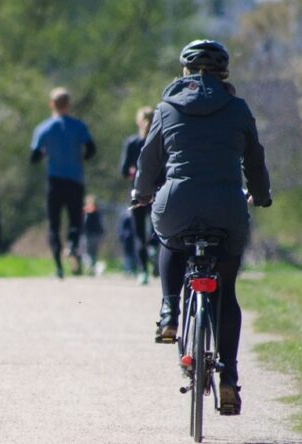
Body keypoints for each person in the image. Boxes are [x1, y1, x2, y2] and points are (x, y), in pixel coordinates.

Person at [132, 39, 272, 415]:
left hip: (177, 204)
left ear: (185, 71)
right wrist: (261, 195)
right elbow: (254, 161)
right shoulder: (238, 108)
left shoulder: (166, 108)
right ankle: (228, 377)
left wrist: (141, 194)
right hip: (227, 208)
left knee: (170, 239)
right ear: (224, 73)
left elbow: (148, 161)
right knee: (226, 292)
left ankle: (169, 312)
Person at [31, 87, 96, 278]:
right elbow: (91, 149)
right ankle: (73, 244)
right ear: (68, 104)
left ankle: (59, 268)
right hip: (75, 180)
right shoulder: (79, 126)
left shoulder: (43, 128)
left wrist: (45, 153)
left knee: (54, 224)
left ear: (52, 104)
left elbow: (34, 157)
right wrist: (79, 157)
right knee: (75, 220)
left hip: (54, 182)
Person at [120, 106, 161, 284]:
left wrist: (132, 172)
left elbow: (123, 170)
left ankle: (143, 271)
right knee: (158, 227)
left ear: (138, 121)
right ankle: (154, 249)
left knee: (138, 233)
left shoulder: (132, 143)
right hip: (158, 190)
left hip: (137, 191)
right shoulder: (161, 141)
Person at [81, 195, 104, 276]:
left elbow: (84, 223)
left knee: (87, 252)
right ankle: (92, 268)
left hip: (90, 235)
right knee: (92, 253)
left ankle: (91, 268)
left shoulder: (87, 212)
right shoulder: (97, 211)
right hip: (95, 234)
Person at [117, 208, 138, 275]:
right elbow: (120, 229)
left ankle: (133, 269)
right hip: (127, 241)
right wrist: (122, 237)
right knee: (127, 256)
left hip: (134, 240)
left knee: (134, 255)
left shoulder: (134, 218)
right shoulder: (125, 218)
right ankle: (128, 269)